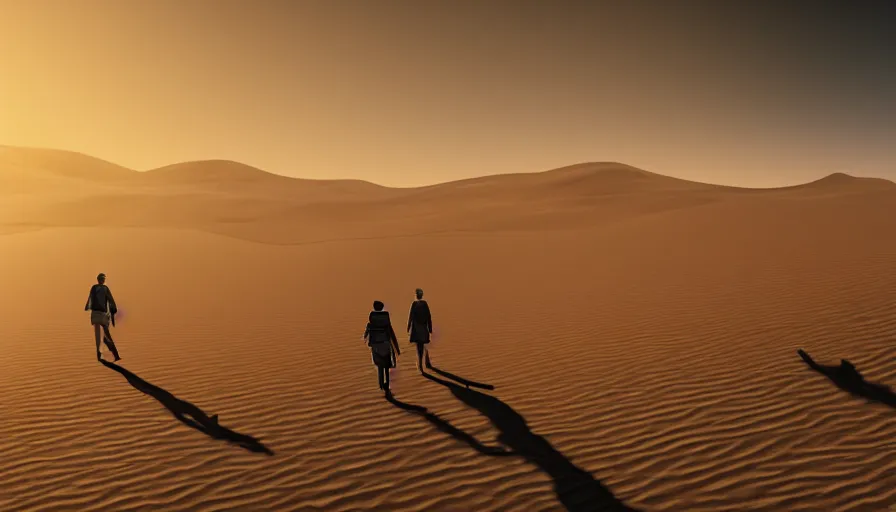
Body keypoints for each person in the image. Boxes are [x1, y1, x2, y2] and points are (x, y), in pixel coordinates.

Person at [363, 301, 400, 393]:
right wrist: (396, 347)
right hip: (386, 344)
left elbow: (365, 335)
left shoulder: (371, 322)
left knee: (380, 365)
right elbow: (391, 333)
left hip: (375, 345)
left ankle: (381, 385)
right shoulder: (386, 320)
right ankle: (387, 384)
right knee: (386, 365)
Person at [84, 273, 121, 362]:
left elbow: (90, 300)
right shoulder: (105, 289)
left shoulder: (94, 288)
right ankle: (115, 355)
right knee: (106, 334)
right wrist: (113, 310)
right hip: (102, 314)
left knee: (98, 335)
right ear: (102, 280)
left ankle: (100, 354)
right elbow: (111, 300)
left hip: (96, 314)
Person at [407, 288, 433, 373]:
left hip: (417, 330)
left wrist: (408, 327)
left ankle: (421, 366)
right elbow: (429, 316)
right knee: (424, 344)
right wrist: (430, 327)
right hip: (423, 329)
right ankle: (426, 362)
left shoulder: (414, 304)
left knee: (419, 347)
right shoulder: (425, 304)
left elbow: (410, 316)